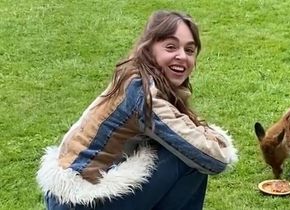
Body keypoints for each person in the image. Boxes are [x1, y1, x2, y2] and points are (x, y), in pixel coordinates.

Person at [36, 10, 238, 210]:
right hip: (79, 202)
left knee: (186, 148)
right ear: (149, 50)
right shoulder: (143, 94)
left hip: (71, 195)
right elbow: (214, 159)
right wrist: (216, 138)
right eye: (171, 47)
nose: (181, 56)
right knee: (190, 158)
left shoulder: (139, 78)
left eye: (190, 50)